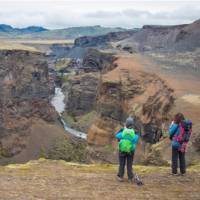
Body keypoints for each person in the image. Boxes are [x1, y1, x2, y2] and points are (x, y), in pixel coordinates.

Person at [115, 117, 140, 183]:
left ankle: (120, 177)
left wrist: (123, 130)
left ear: (126, 124)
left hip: (122, 150)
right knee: (129, 164)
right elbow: (135, 139)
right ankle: (130, 178)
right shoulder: (134, 132)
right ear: (132, 124)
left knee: (121, 164)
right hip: (131, 151)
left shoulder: (123, 131)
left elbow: (117, 136)